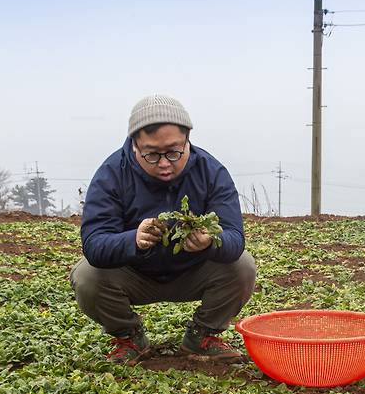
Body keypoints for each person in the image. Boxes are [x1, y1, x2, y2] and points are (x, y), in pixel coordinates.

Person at [71, 95, 257, 362]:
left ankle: (201, 337)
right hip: (134, 275)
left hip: (194, 271)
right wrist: (132, 240)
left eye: (173, 152)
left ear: (187, 141)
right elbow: (94, 243)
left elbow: (234, 237)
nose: (164, 163)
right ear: (135, 144)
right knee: (87, 276)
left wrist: (210, 241)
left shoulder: (211, 172)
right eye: (152, 154)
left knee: (242, 266)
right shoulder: (111, 174)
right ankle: (130, 338)